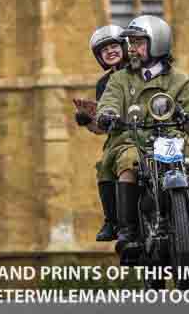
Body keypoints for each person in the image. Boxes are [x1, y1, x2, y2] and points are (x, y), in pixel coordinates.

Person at [96, 15, 189, 256]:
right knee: (128, 162)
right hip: (131, 138)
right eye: (131, 43)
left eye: (139, 43)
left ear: (157, 43)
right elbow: (109, 101)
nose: (132, 49)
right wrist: (108, 113)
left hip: (170, 136)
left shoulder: (179, 79)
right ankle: (128, 233)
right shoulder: (120, 79)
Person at [74, 24, 127, 241]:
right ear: (99, 57)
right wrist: (88, 119)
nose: (110, 51)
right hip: (122, 137)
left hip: (153, 130)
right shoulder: (103, 83)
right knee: (105, 165)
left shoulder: (142, 71)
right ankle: (113, 221)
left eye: (114, 46)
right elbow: (102, 126)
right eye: (104, 50)